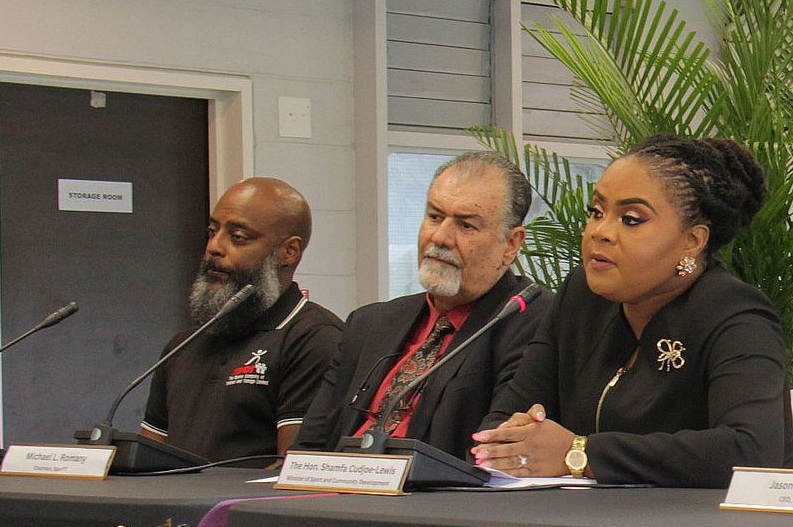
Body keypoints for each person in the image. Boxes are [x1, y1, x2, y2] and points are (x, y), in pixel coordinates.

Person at [473, 135, 793, 485]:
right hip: (595, 525)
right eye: (596, 212)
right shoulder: (581, 298)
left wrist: (580, 453)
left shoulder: (736, 316)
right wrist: (516, 438)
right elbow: (499, 423)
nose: (599, 232)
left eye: (631, 219)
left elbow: (749, 451)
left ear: (693, 241)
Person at [296, 153, 550, 457]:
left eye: (466, 225)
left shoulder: (533, 320)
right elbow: (309, 448)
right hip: (335, 492)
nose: (440, 237)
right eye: (434, 217)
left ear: (511, 244)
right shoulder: (369, 323)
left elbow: (493, 453)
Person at [140, 177, 343, 461]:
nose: (214, 247)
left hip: (241, 505)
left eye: (238, 237)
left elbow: (294, 470)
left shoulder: (316, 339)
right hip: (174, 504)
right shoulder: (183, 345)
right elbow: (149, 459)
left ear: (289, 251)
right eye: (212, 231)